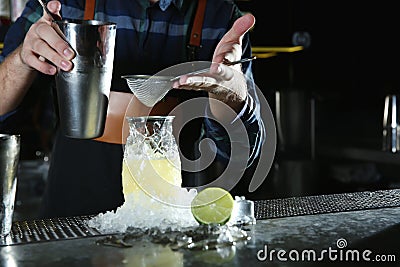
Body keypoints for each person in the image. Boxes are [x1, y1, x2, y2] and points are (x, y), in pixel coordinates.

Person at [0, 0, 265, 218]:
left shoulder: (220, 18)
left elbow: (243, 154)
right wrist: (24, 58)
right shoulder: (64, 4)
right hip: (71, 215)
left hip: (169, 220)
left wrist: (231, 95)